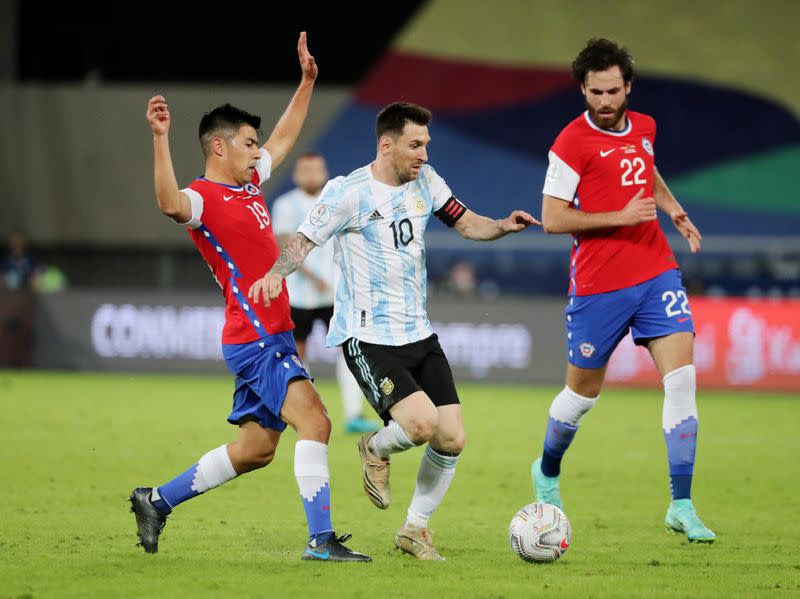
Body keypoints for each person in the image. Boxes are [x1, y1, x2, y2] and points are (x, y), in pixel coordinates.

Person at [248, 102, 539, 560]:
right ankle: (374, 446)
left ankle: (414, 530)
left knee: (452, 438)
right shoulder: (348, 192)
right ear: (387, 144)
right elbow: (303, 240)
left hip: (418, 334)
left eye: (426, 144)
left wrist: (502, 225)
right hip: (369, 336)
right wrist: (274, 274)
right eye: (415, 145)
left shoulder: (426, 180)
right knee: (421, 425)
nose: (423, 153)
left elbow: (465, 223)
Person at [130, 32, 371, 562]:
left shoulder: (248, 186)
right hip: (256, 336)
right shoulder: (204, 197)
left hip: (269, 332)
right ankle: (320, 541)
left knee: (257, 450)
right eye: (247, 143)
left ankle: (156, 500)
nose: (258, 152)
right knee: (318, 422)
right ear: (218, 146)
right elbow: (170, 203)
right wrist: (159, 137)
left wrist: (307, 83)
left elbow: (282, 139)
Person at [530, 38, 715, 543]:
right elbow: (551, 218)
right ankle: (546, 471)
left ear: (628, 86)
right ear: (583, 91)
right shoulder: (570, 143)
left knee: (680, 381)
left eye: (613, 90)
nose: (606, 101)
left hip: (657, 270)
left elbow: (644, 167)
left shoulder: (646, 126)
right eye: (596, 93)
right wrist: (619, 216)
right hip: (598, 285)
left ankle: (681, 503)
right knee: (581, 396)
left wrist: (672, 209)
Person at [270, 153, 379, 434]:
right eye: (305, 169)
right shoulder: (285, 205)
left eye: (316, 169)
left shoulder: (338, 199)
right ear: (296, 174)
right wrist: (312, 276)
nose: (311, 175)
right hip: (298, 295)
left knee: (349, 350)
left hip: (335, 294)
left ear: (324, 172)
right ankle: (302, 410)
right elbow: (287, 246)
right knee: (297, 352)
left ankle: (354, 414)